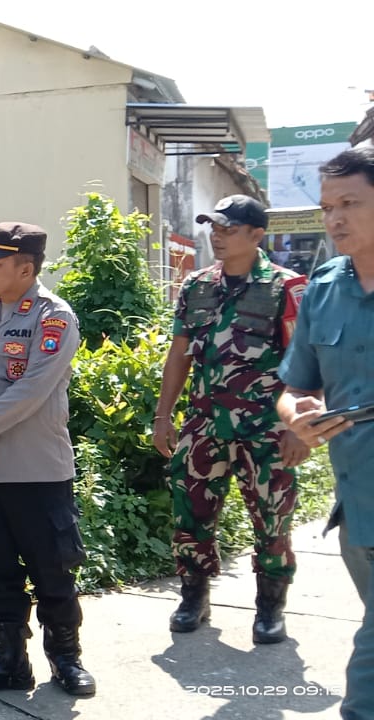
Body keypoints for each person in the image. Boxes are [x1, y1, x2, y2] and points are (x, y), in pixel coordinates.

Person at [0, 223, 95, 698]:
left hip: (34, 469)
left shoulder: (54, 317)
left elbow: (32, 390)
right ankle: (9, 660)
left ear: (26, 269)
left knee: (52, 568)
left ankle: (66, 659)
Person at [153, 195, 308, 643]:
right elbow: (179, 354)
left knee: (273, 516)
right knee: (191, 510)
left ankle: (270, 607)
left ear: (257, 235)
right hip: (203, 424)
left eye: (227, 229)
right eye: (212, 227)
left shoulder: (286, 287)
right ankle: (194, 596)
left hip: (267, 428)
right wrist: (164, 416)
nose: (216, 236)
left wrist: (299, 427)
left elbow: (307, 361)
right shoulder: (197, 285)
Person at [277, 146, 374, 720]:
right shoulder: (323, 288)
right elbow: (291, 388)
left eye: (351, 204)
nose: (334, 218)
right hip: (358, 508)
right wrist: (297, 417)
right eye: (326, 206)